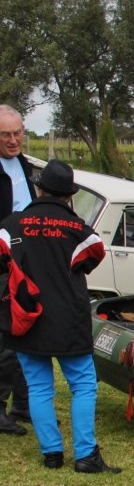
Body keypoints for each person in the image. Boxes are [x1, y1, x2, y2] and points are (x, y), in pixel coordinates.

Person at [0, 160, 118, 472]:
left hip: (26, 316)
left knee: (39, 387)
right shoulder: (80, 231)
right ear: (69, 195)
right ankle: (85, 456)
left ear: (39, 189)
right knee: (82, 385)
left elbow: (2, 257)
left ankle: (51, 453)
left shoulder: (12, 224)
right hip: (68, 318)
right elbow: (94, 255)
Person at [0, 104, 35, 434]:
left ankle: (24, 405)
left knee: (28, 328)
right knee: (4, 335)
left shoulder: (24, 165)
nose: (13, 140)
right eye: (6, 135)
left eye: (18, 133)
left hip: (26, 260)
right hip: (2, 260)